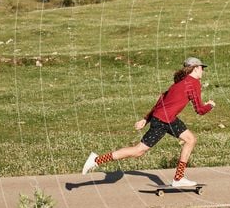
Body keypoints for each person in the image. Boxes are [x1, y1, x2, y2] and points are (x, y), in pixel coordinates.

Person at [82, 57, 215, 187]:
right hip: (164, 121)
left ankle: (179, 178)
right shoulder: (193, 83)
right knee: (138, 151)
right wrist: (210, 105)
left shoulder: (180, 82)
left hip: (166, 118)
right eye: (202, 68)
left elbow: (162, 99)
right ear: (196, 68)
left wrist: (146, 119)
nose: (203, 71)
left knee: (190, 139)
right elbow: (200, 110)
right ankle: (96, 160)